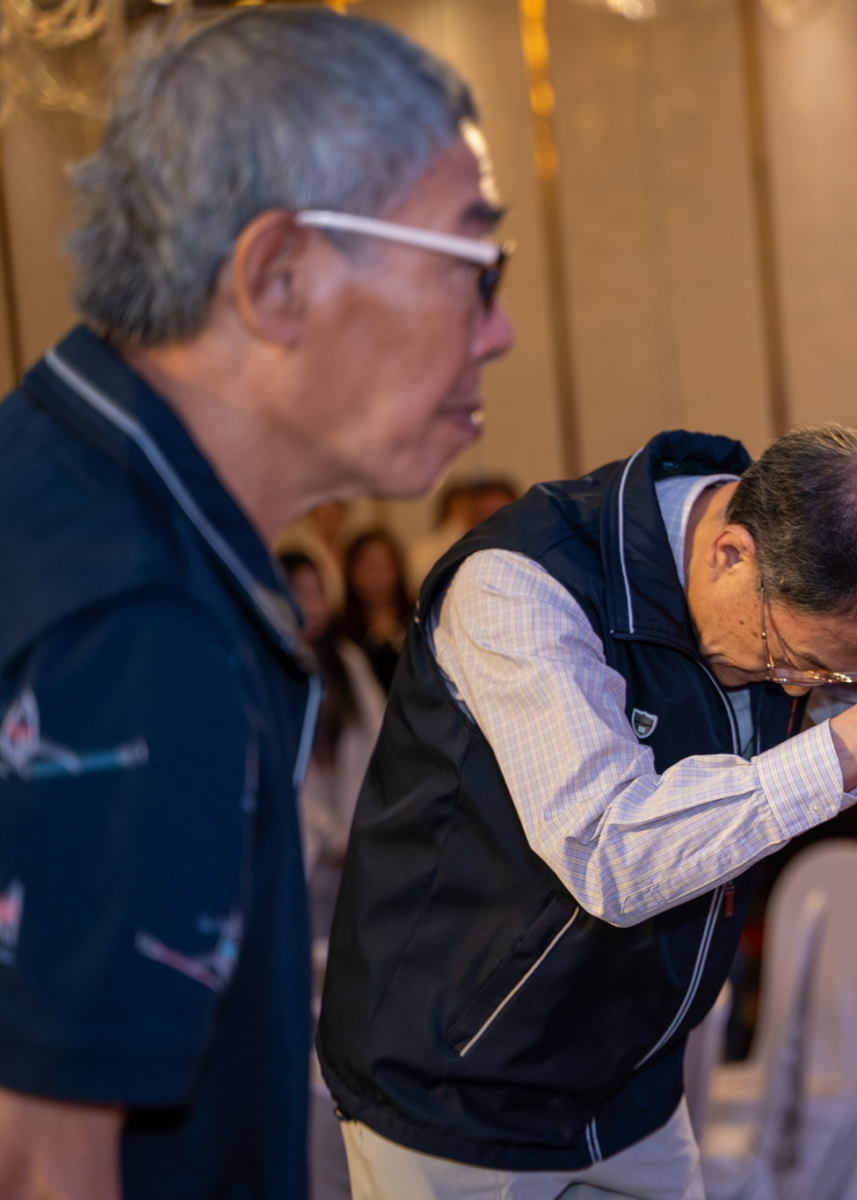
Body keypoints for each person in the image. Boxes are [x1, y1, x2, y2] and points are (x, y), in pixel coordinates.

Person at [318, 425, 857, 1198]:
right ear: (730, 553)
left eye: (838, 677)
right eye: (796, 661)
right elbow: (610, 852)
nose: (800, 689)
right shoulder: (522, 584)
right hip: (458, 1090)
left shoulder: (824, 594)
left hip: (637, 1086)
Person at [0, 10, 512, 1197]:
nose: (500, 330)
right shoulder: (140, 620)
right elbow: (37, 1157)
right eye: (472, 266)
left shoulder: (59, 484)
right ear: (279, 278)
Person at [281, 552, 386, 922]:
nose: (308, 605)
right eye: (297, 593)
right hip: (301, 838)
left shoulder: (348, 662)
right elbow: (279, 768)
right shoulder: (268, 667)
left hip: (355, 831)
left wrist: (354, 830)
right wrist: (326, 836)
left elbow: (379, 744)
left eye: (315, 593)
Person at [341, 528, 417, 690]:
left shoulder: (420, 617)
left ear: (398, 568)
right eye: (368, 567)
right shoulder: (341, 629)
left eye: (382, 565)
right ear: (351, 572)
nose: (375, 576)